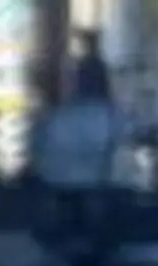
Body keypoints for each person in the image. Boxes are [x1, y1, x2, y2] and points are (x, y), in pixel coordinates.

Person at [27, 36, 122, 192]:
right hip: (96, 190)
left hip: (53, 187)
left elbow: (36, 152)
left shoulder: (53, 118)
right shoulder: (110, 116)